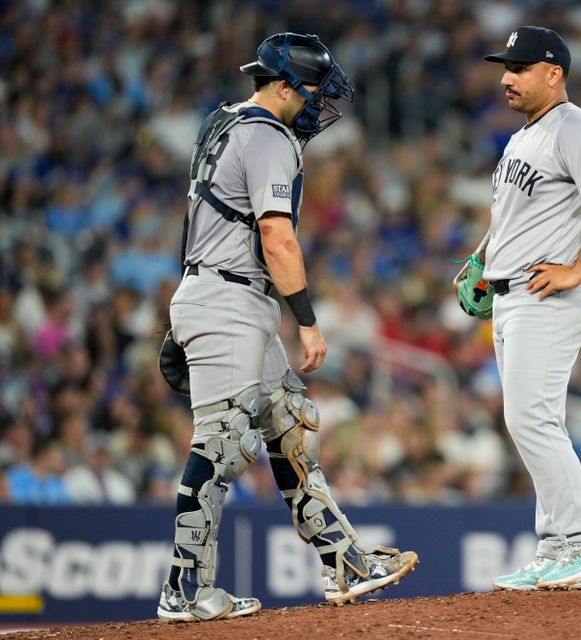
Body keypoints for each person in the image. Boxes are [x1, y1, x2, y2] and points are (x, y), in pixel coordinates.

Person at [156, 32, 418, 623]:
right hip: (228, 298)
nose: (316, 105)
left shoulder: (224, 122)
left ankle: (344, 560)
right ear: (282, 87)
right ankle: (184, 589)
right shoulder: (267, 134)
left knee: (290, 425)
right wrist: (308, 323)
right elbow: (276, 236)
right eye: (311, 93)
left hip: (221, 293)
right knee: (222, 445)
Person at [455, 26, 581, 590]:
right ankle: (556, 545)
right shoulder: (522, 138)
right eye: (506, 66)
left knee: (527, 417)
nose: (506, 76)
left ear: (553, 73)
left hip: (547, 296)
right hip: (513, 297)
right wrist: (482, 257)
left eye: (520, 67)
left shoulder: (574, 127)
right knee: (536, 420)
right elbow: (512, 217)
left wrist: (578, 269)